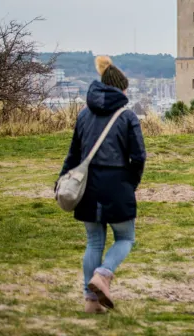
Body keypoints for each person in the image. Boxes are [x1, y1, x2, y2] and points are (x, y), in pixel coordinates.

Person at [57, 56, 146, 313]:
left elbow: (73, 154)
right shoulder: (127, 116)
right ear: (120, 89)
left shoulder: (84, 114)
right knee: (126, 238)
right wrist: (132, 183)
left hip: (87, 187)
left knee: (94, 242)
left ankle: (90, 301)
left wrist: (60, 180)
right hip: (117, 183)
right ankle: (103, 274)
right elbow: (138, 157)